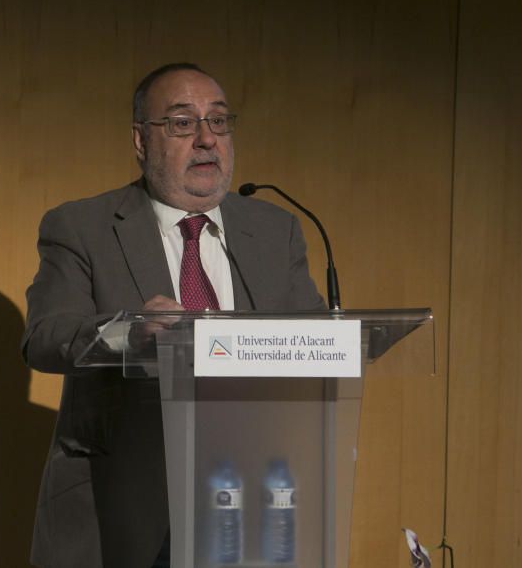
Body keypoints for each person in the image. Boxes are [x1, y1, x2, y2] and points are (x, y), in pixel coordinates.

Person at [21, 63, 325, 568]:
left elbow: (319, 346)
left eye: (220, 121)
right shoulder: (82, 227)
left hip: (246, 504)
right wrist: (126, 333)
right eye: (183, 123)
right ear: (142, 141)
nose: (207, 139)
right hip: (122, 510)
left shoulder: (277, 231)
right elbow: (45, 337)